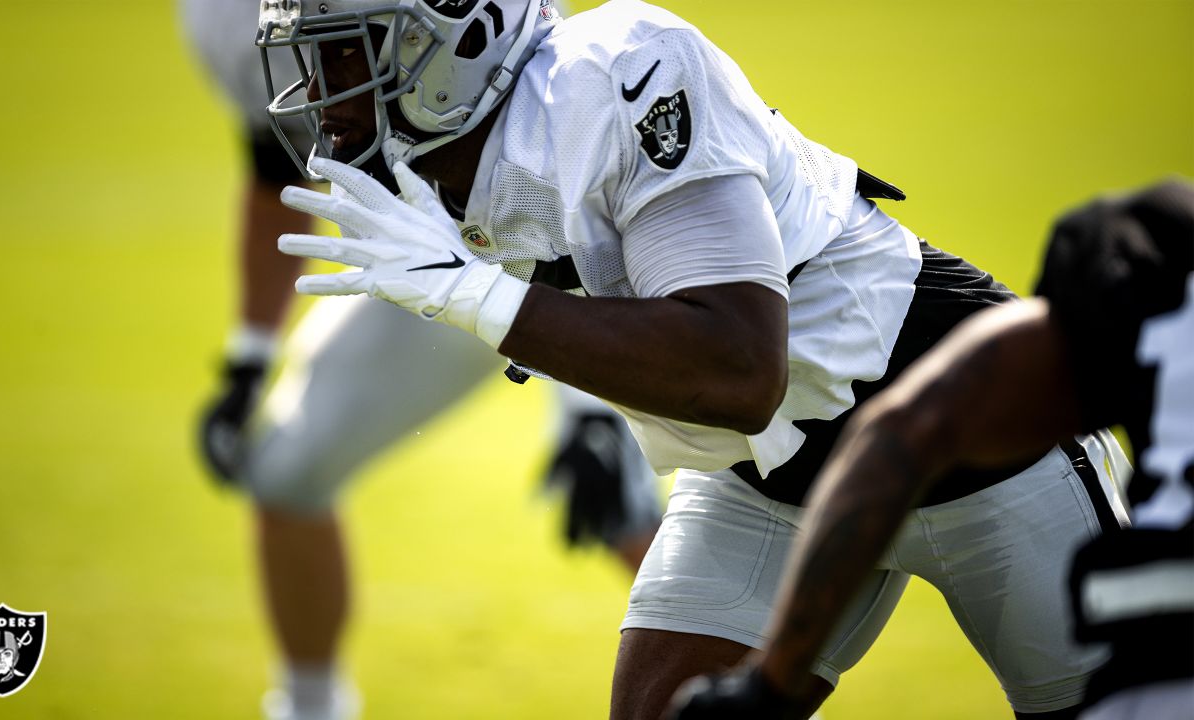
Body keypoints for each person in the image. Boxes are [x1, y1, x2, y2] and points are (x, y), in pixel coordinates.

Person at [255, 0, 1128, 717]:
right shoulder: (425, 162)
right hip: (767, 480)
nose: (318, 92)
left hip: (967, 430)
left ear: (458, 37)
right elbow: (606, 307)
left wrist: (479, 297)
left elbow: (740, 368)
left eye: (344, 56)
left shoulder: (612, 72)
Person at [182, 2, 663, 719]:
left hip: (543, 232)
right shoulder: (219, 16)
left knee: (618, 501)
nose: (316, 90)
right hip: (411, 252)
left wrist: (587, 410)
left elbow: (566, 175)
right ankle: (310, 708)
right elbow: (274, 172)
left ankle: (759, 691)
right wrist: (249, 357)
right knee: (285, 473)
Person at [668, 181, 1192, 720]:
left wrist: (769, 688)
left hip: (1145, 647)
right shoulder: (1157, 249)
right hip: (770, 468)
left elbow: (907, 429)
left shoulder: (1152, 248)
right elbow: (906, 431)